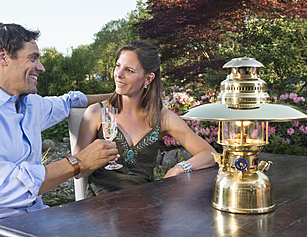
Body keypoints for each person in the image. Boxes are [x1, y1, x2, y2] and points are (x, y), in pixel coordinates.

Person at [0, 23, 119, 237]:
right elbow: (2, 189)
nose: (41, 67)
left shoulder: (32, 104)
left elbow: (70, 102)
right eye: (33, 58)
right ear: (3, 57)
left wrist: (121, 98)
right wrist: (77, 162)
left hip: (34, 220)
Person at [74, 41, 216, 198]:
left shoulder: (161, 116)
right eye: (117, 66)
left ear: (148, 79)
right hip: (100, 208)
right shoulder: (96, 113)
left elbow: (209, 154)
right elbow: (77, 171)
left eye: (129, 70)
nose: (118, 74)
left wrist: (180, 168)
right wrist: (94, 159)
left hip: (145, 207)